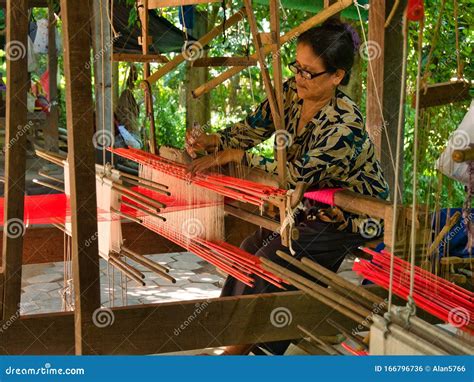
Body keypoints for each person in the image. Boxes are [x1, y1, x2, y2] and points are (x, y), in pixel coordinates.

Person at [186, 19, 390, 355]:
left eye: (309, 73)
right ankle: (229, 329)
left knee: (277, 257)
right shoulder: (291, 94)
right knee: (253, 245)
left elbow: (297, 173)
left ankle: (243, 349)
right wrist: (216, 141)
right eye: (297, 67)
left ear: (337, 76)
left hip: (353, 215)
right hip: (314, 205)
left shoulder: (345, 125)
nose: (299, 77)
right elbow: (254, 128)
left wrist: (242, 158)